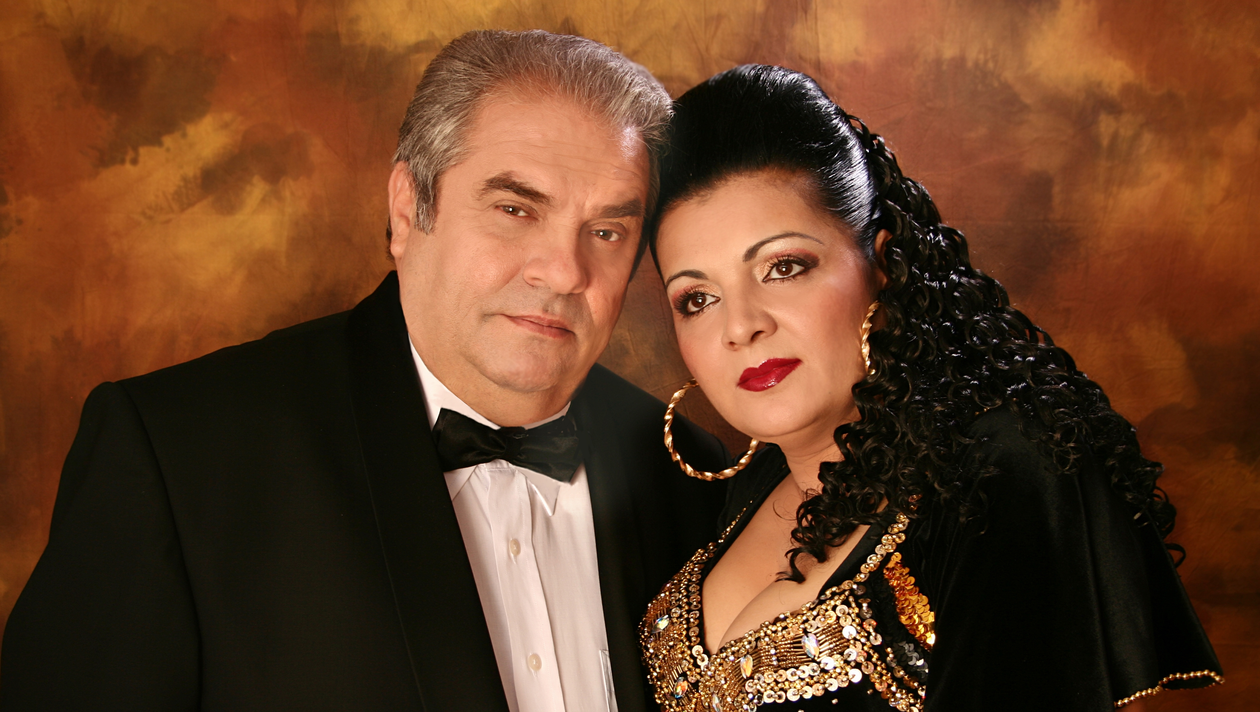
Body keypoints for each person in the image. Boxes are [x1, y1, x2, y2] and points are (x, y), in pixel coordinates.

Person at [0, 30, 729, 712]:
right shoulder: (178, 457)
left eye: (606, 231)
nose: (564, 271)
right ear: (408, 208)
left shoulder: (690, 477)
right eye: (515, 209)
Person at [638, 65, 1222, 711]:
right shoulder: (755, 484)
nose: (741, 326)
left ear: (883, 264)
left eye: (784, 267)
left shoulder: (1001, 473)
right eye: (697, 298)